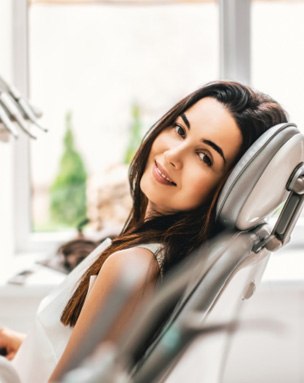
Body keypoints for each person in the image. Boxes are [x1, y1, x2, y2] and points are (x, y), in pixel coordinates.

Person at [0, 81, 288, 382]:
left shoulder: (132, 267)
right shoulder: (164, 259)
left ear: (228, 187)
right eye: (179, 129)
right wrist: (25, 348)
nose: (174, 154)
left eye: (205, 157)